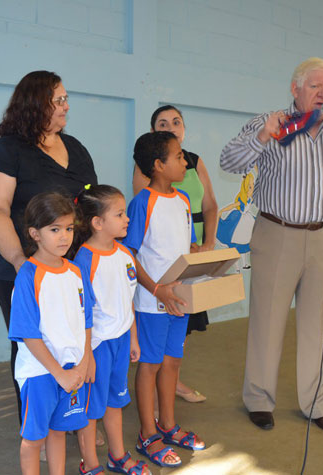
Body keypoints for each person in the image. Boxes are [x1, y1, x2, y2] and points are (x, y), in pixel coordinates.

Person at [220, 57, 323, 433]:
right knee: (268, 321)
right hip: (278, 234)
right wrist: (262, 137)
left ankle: (317, 404)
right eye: (315, 86)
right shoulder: (269, 123)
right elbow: (229, 161)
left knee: (319, 324)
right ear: (295, 89)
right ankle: (259, 399)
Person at [0, 71, 98, 425]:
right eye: (58, 100)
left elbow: (89, 208)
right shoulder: (6, 150)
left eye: (65, 99)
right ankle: (39, 428)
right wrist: (20, 262)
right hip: (22, 271)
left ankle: (73, 420)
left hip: (71, 271)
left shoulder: (75, 147)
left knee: (75, 343)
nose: (65, 106)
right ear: (34, 105)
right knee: (34, 351)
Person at [124, 132, 206, 469]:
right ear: (158, 166)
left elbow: (185, 249)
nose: (185, 162)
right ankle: (147, 433)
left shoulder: (185, 199)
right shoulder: (142, 203)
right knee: (151, 365)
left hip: (180, 300)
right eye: (178, 156)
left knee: (173, 362)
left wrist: (206, 260)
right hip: (152, 303)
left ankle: (168, 425)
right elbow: (129, 255)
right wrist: (157, 290)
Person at [133, 105, 217, 402]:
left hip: (184, 273)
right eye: (162, 123)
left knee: (175, 348)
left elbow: (209, 206)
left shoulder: (187, 181)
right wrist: (155, 288)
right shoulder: (145, 195)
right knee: (153, 356)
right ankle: (152, 415)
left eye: (176, 122)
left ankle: (169, 404)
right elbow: (136, 246)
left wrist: (204, 245)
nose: (171, 127)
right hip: (156, 287)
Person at [8, 191, 93, 475]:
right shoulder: (28, 276)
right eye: (54, 229)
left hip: (72, 370)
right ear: (35, 233)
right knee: (34, 439)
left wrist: (84, 361)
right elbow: (28, 334)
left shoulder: (76, 272)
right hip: (41, 373)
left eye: (69, 229)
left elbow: (87, 321)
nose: (64, 236)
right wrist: (59, 373)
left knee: (59, 431)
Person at [71, 185, 149, 475]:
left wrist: (133, 338)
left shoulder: (125, 253)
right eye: (119, 214)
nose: (127, 219)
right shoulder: (84, 259)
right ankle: (90, 463)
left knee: (115, 402)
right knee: (91, 410)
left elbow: (128, 301)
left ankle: (118, 456)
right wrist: (87, 356)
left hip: (120, 341)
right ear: (97, 223)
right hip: (97, 347)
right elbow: (82, 315)